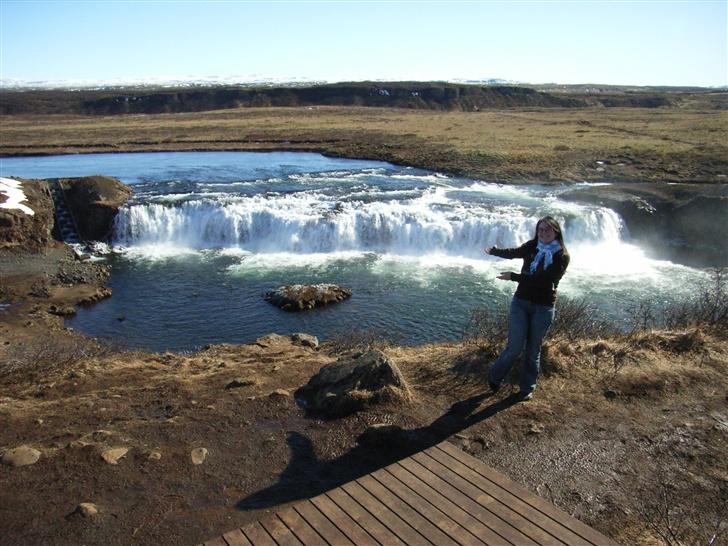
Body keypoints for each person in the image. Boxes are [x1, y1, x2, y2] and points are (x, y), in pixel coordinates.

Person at [484, 216, 570, 400]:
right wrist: (494, 251)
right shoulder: (533, 245)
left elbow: (544, 281)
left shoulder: (562, 256)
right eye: (541, 229)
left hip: (543, 307)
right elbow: (515, 252)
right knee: (514, 347)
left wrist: (514, 277)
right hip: (521, 302)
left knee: (533, 350)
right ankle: (494, 376)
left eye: (548, 229)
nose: (544, 233)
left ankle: (527, 388)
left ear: (556, 231)